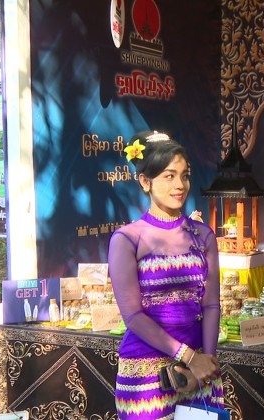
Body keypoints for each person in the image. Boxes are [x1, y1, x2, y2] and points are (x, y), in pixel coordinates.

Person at [108, 130, 222, 419]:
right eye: (169, 176)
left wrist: (206, 363)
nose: (179, 185)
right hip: (145, 377)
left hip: (199, 372)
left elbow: (211, 305)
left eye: (184, 176)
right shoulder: (127, 239)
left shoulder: (203, 235)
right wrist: (189, 357)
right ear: (145, 181)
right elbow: (133, 316)